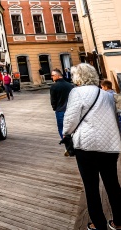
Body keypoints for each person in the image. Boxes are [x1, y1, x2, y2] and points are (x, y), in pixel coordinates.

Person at [63, 64, 121, 230]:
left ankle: (98, 223)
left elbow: (70, 120)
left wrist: (66, 132)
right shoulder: (106, 94)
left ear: (79, 77)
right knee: (112, 184)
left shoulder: (77, 92)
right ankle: (118, 220)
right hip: (110, 145)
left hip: (87, 147)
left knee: (91, 186)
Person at [50, 68, 74, 147]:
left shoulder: (54, 86)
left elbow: (53, 100)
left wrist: (55, 108)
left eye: (52, 75)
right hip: (71, 110)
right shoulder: (70, 85)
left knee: (62, 128)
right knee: (72, 127)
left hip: (60, 110)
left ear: (57, 76)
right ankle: (73, 143)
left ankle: (67, 146)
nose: (51, 77)